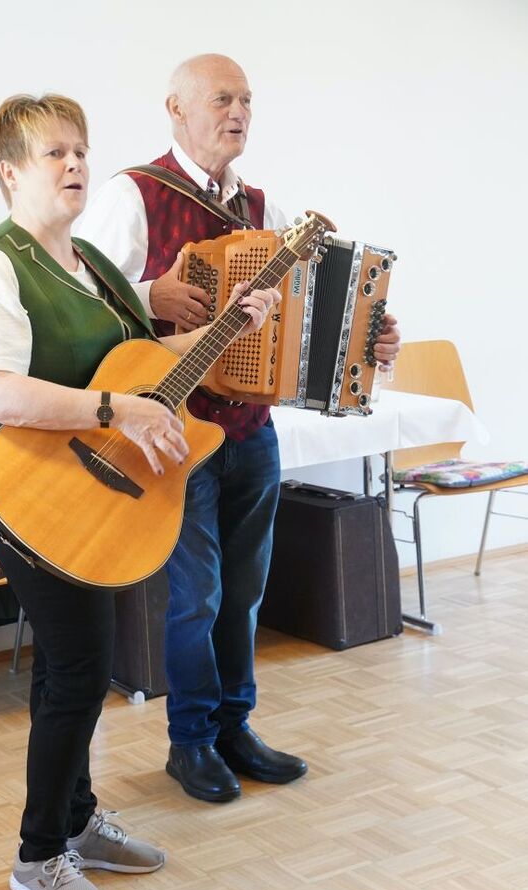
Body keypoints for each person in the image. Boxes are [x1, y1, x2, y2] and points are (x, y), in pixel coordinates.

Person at [0, 93, 279, 890]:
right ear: (9, 172)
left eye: (81, 150)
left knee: (73, 666)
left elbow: (143, 360)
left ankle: (78, 824)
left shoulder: (88, 261)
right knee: (81, 668)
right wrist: (113, 412)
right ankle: (38, 856)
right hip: (19, 495)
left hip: (80, 493)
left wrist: (231, 326)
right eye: (54, 153)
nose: (75, 164)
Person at [78, 54, 401, 803]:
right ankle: (189, 742)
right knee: (197, 596)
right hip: (175, 431)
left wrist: (370, 339)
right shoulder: (132, 195)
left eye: (247, 100)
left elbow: (308, 319)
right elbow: (83, 303)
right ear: (176, 108)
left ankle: (234, 728)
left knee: (246, 591)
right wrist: (150, 295)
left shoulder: (264, 209)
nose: (239, 112)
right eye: (222, 98)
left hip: (252, 431)